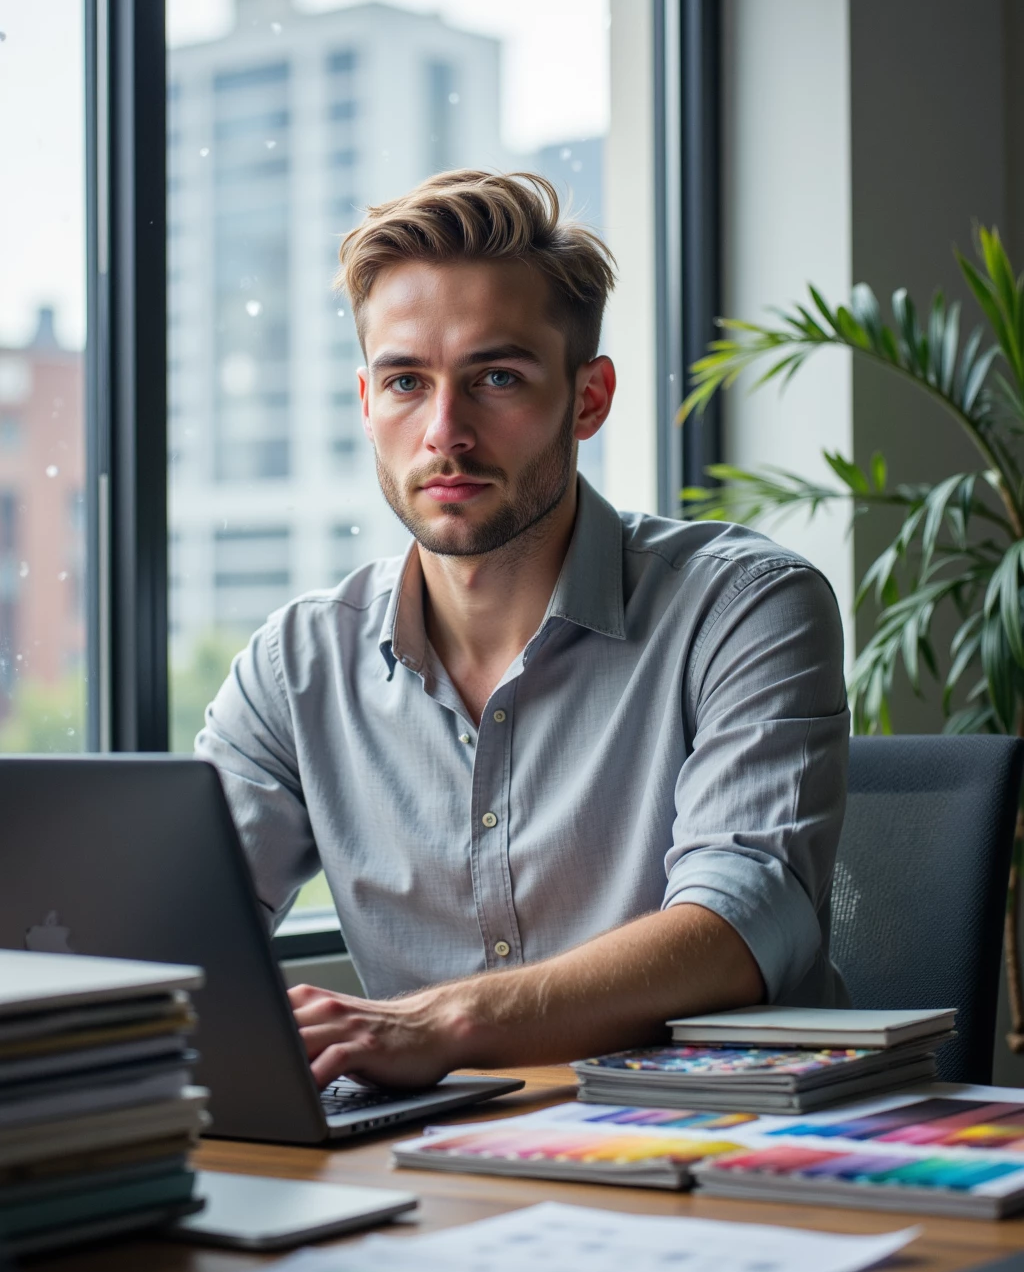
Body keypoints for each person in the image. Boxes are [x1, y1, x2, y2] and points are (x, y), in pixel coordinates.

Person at [197, 170, 849, 1092]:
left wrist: (445, 1020)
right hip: (438, 1165)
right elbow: (182, 930)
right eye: (406, 382)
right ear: (366, 402)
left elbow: (743, 923)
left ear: (589, 399)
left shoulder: (745, 608)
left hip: (721, 1143)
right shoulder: (296, 667)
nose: (444, 432)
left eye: (496, 377)